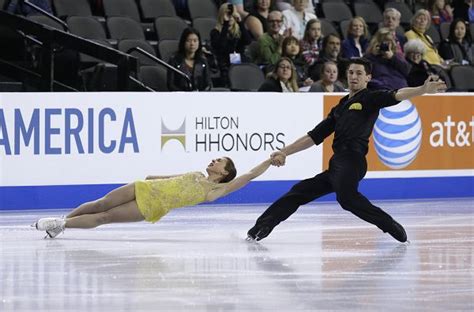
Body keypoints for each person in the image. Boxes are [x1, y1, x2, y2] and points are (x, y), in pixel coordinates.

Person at [247, 57, 447, 243]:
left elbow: (396, 95)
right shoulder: (340, 107)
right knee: (299, 191)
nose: (354, 76)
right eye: (351, 72)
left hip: (353, 160)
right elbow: (314, 136)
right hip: (337, 163)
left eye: (359, 73)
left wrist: (421, 89)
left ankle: (391, 226)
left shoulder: (370, 98)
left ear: (368, 77)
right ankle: (257, 231)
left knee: (347, 199)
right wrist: (284, 152)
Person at [34, 157, 273, 238]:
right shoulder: (197, 173)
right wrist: (152, 177)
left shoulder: (216, 190)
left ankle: (61, 224)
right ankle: (63, 221)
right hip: (145, 188)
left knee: (104, 217)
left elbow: (250, 175)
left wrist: (270, 161)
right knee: (100, 203)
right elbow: (171, 178)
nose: (214, 160)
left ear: (225, 172)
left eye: (219, 161)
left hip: (152, 206)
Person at [211, 3, 252, 87]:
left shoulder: (239, 31)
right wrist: (225, 24)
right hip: (224, 66)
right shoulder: (215, 32)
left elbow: (248, 41)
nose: (230, 17)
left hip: (240, 64)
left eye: (232, 14)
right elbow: (221, 46)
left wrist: (240, 22)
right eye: (227, 14)